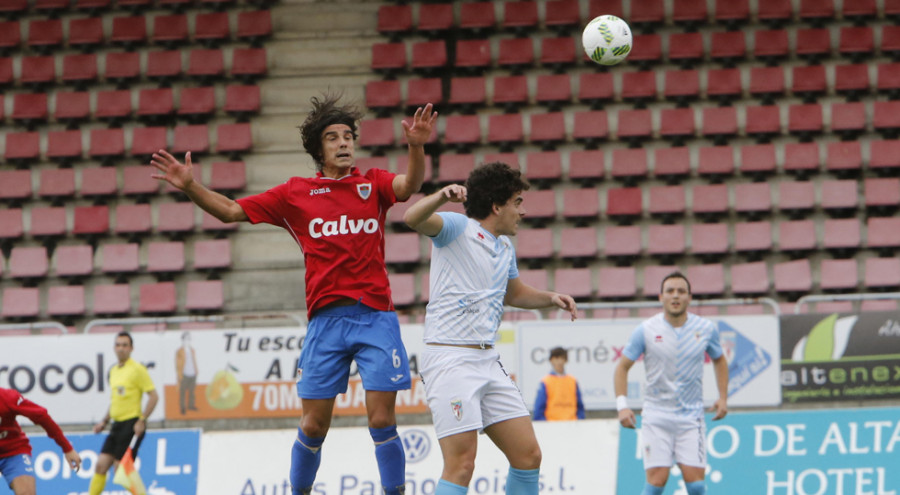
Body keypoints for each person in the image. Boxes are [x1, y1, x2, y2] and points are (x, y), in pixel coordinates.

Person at [150, 95, 438, 495]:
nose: (343, 143)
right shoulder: (295, 194)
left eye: (348, 136)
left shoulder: (373, 184)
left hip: (376, 317)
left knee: (381, 421)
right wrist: (190, 186)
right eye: (333, 137)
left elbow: (411, 186)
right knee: (313, 425)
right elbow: (232, 211)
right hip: (325, 323)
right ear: (318, 149)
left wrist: (416, 146)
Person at [403, 162, 578, 495]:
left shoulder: (504, 247)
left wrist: (551, 297)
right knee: (462, 465)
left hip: (488, 361)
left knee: (528, 456)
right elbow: (412, 218)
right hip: (450, 359)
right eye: (517, 202)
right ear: (497, 206)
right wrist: (441, 196)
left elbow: (514, 293)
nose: (522, 212)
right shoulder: (457, 227)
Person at [613, 272, 729, 495]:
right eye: (670, 291)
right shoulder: (646, 330)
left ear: (689, 297)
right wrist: (622, 406)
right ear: (660, 297)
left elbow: (720, 360)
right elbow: (622, 368)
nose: (675, 296)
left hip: (691, 417)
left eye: (681, 291)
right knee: (656, 484)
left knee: (696, 486)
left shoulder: (705, 329)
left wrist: (723, 397)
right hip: (656, 417)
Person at [90, 331, 158, 495]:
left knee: (121, 469)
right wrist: (104, 421)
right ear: (114, 348)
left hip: (131, 424)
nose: (121, 349)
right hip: (116, 425)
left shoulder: (138, 369)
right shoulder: (114, 371)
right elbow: (116, 401)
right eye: (118, 345)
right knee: (100, 465)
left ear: (131, 348)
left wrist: (142, 420)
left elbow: (154, 397)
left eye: (125, 345)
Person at [0, 388, 82, 495]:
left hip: (13, 451)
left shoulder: (7, 397)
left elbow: (42, 416)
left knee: (27, 493)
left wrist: (67, 448)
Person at [532, 347, 585, 421]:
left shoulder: (572, 381)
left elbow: (580, 406)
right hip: (552, 424)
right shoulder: (546, 381)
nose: (559, 362)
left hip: (572, 424)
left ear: (565, 360)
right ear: (551, 360)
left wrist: (579, 420)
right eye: (556, 358)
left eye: (562, 358)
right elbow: (539, 408)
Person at [175, 331, 199, 415]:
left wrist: (196, 371)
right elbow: (178, 364)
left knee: (192, 391)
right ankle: (183, 408)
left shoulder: (192, 350)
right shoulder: (180, 351)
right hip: (184, 374)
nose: (187, 341)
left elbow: (194, 361)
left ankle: (191, 405)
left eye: (189, 339)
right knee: (183, 392)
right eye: (186, 339)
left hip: (192, 373)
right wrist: (179, 374)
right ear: (183, 340)